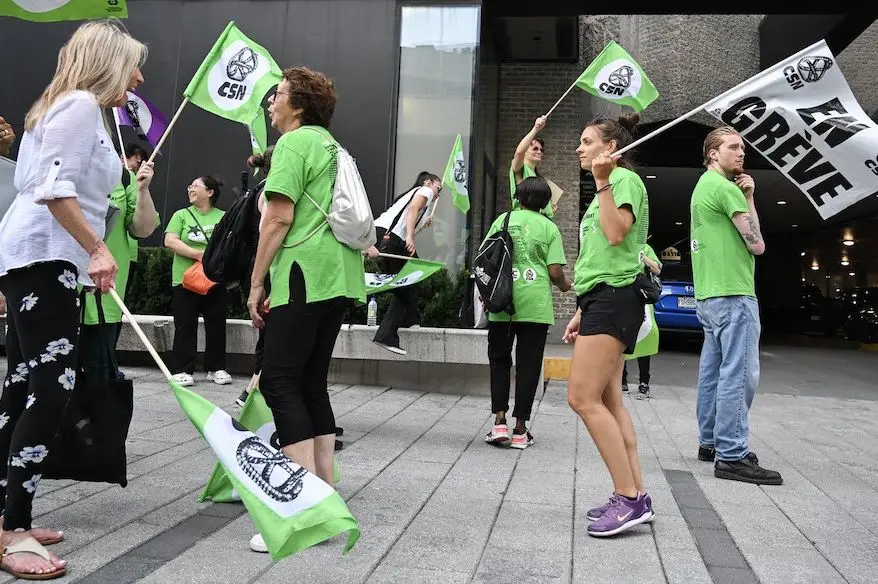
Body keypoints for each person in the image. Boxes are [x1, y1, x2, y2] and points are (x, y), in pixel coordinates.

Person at [0, 20, 146, 579]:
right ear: (108, 61)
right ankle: (12, 532)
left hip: (35, 257)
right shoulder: (81, 104)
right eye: (133, 63)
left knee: (22, 386)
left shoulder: (61, 104)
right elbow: (54, 190)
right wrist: (98, 251)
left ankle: (10, 516)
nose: (139, 75)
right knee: (50, 393)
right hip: (46, 259)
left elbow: (34, 186)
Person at [245, 66, 365, 553]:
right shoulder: (335, 147)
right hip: (338, 277)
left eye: (276, 96)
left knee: (278, 381)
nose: (271, 104)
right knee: (311, 382)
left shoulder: (295, 145)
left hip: (303, 274)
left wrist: (256, 282)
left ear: (297, 105)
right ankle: (326, 500)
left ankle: (303, 510)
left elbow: (278, 217)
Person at [563, 113, 653, 537]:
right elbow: (603, 258)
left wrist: (602, 182)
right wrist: (582, 310)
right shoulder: (610, 185)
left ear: (610, 147)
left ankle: (628, 498)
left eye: (586, 141)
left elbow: (617, 235)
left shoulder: (623, 182)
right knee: (610, 401)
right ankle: (637, 493)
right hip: (603, 298)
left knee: (582, 398)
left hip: (616, 300)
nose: (579, 148)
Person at [691, 126, 782, 485]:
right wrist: (749, 199)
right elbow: (756, 244)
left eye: (742, 148)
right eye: (732, 147)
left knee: (713, 371)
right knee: (739, 372)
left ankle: (710, 441)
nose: (741, 153)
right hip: (734, 292)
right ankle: (732, 453)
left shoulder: (702, 187)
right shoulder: (726, 190)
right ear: (713, 153)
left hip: (709, 294)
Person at [483, 176, 570, 449]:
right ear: (545, 202)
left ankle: (499, 423)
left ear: (518, 198)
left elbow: (485, 258)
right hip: (535, 307)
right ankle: (520, 429)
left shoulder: (503, 220)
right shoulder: (549, 228)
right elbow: (555, 271)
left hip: (502, 303)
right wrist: (566, 286)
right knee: (529, 366)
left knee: (499, 360)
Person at [80, 151, 159, 384]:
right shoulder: (54, 163)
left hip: (104, 294)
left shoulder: (124, 178)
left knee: (99, 373)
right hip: (54, 290)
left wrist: (142, 189)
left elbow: (143, 229)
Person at [164, 175, 230, 387]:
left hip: (214, 280)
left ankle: (216, 367)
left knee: (217, 324)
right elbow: (170, 240)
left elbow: (231, 243)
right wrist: (198, 255)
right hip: (185, 280)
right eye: (190, 185)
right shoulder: (181, 215)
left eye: (195, 186)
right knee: (185, 325)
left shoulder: (223, 216)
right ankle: (182, 369)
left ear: (210, 192)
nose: (190, 189)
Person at [367, 171, 441, 355]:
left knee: (411, 278)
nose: (438, 194)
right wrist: (410, 236)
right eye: (438, 188)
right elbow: (411, 211)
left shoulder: (417, 196)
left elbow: (410, 216)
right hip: (392, 239)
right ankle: (386, 334)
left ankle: (409, 320)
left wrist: (422, 225)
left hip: (385, 237)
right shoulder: (425, 190)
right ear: (428, 182)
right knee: (407, 283)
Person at [236, 146, 274, 408]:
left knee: (268, 334)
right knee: (272, 335)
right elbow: (270, 237)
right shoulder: (271, 193)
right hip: (268, 268)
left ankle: (252, 389)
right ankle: (254, 391)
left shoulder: (259, 188)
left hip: (256, 268)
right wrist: (261, 283)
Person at [622, 241, 662, 399]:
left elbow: (657, 269)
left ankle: (644, 382)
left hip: (641, 297)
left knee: (646, 335)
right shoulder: (621, 244)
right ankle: (621, 379)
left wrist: (643, 257)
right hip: (623, 296)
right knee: (622, 336)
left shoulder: (645, 247)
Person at [510, 116, 555, 218]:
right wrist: (536, 129)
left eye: (541, 150)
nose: (539, 152)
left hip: (540, 221)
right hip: (524, 220)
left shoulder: (537, 175)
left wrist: (549, 208)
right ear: (526, 150)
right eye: (535, 149)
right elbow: (519, 153)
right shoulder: (520, 168)